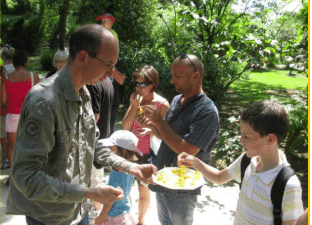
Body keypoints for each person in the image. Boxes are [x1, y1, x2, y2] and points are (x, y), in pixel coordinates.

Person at [6, 24, 157, 225]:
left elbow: (92, 145)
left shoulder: (84, 93)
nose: (112, 73)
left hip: (79, 212)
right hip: (49, 218)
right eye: (108, 64)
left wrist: (130, 167)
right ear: (83, 57)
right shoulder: (44, 102)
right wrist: (88, 192)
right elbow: (25, 175)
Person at [178, 100, 304, 224]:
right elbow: (219, 177)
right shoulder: (247, 161)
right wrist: (194, 162)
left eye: (246, 136)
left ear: (270, 139)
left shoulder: (288, 185)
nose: (240, 140)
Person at [140, 54, 219, 225]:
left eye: (178, 76)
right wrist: (154, 126)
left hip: (182, 189)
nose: (171, 80)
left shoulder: (207, 111)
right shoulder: (176, 100)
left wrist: (160, 122)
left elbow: (189, 150)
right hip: (163, 179)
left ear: (195, 76)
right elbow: (168, 136)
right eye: (172, 74)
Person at [122, 65, 169, 225]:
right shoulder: (136, 99)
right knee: (124, 189)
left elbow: (167, 135)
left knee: (143, 190)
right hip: (130, 151)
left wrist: (151, 130)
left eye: (143, 84)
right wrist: (135, 107)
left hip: (148, 153)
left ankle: (140, 221)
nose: (138, 87)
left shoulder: (162, 104)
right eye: (136, 83)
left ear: (153, 84)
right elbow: (125, 126)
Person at [93, 130, 143, 225]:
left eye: (111, 149)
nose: (109, 152)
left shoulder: (117, 173)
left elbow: (110, 200)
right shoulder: (131, 168)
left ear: (123, 151)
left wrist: (100, 218)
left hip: (114, 216)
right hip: (125, 212)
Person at [1, 50, 40, 166]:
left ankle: (13, 174)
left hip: (12, 115)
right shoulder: (34, 76)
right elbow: (38, 99)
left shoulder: (6, 78)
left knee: (12, 145)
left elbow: (3, 101)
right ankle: (28, 174)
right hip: (29, 114)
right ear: (26, 62)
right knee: (30, 145)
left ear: (12, 63)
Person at [96, 13, 126, 133]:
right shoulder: (96, 58)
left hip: (111, 101)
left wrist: (112, 69)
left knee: (109, 129)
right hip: (97, 102)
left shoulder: (116, 60)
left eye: (104, 22)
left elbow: (122, 80)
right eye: (101, 21)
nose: (102, 24)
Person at [0, 45, 15, 169]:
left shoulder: (3, 71)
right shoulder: (17, 69)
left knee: (4, 135)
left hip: (4, 106)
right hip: (15, 105)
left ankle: (6, 158)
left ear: (3, 57)